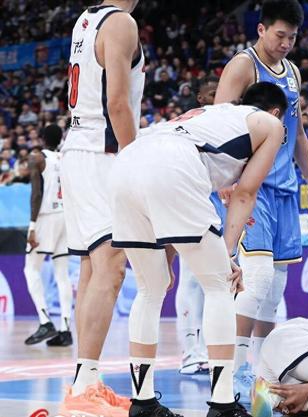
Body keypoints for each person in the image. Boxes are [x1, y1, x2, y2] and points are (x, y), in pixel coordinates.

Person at [109, 83, 288, 417]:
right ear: (277, 112)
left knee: (150, 289)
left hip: (127, 162)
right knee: (220, 283)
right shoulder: (271, 125)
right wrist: (228, 253)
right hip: (174, 164)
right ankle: (222, 404)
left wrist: (171, 254)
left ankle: (142, 403)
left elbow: (163, 188)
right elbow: (245, 193)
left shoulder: (211, 116)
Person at [214, 0, 308, 391]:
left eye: (292, 37)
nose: (286, 44)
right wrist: (225, 178)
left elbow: (299, 132)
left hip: (286, 187)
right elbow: (219, 123)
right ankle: (231, 368)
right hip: (251, 187)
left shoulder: (292, 72)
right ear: (261, 29)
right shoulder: (242, 66)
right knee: (256, 280)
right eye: (280, 35)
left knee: (275, 287)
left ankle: (262, 369)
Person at [59, 1, 145, 414]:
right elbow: (118, 104)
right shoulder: (121, 22)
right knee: (111, 266)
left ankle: (86, 381)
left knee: (92, 269)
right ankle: (83, 389)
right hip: (102, 153)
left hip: (77, 149)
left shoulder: (87, 18)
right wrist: (135, 162)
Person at [175, 75, 219, 376]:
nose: (220, 96)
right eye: (212, 93)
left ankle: (203, 352)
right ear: (200, 98)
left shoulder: (224, 120)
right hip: (189, 202)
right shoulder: (191, 123)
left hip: (214, 204)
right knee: (191, 279)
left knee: (211, 282)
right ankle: (190, 354)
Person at [23, 124, 73, 347]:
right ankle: (65, 329)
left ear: (42, 138)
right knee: (62, 274)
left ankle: (45, 321)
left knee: (31, 269)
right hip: (66, 217)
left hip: (45, 217)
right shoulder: (66, 158)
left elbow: (36, 194)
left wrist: (32, 226)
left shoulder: (37, 158)